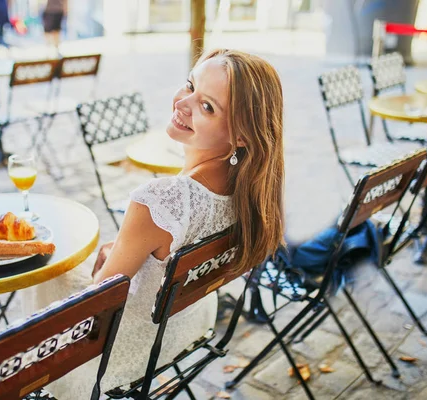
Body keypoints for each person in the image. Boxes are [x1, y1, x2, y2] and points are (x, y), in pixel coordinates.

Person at [21, 48, 285, 399]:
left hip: (123, 353)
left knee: (42, 266)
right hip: (188, 327)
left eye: (207, 106)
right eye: (189, 85)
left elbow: (96, 304)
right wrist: (126, 248)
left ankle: (32, 374)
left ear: (240, 136)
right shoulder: (252, 190)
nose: (183, 103)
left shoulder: (160, 199)